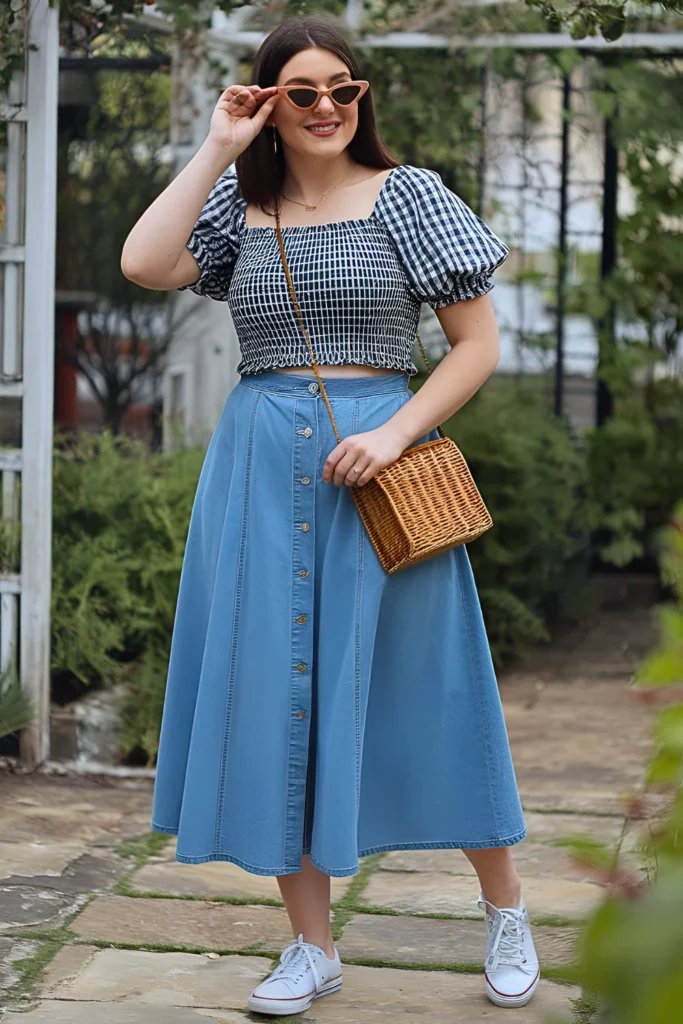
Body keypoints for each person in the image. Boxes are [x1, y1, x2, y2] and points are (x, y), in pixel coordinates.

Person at [121, 15, 539, 1017]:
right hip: (261, 467)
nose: (323, 109)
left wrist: (394, 432)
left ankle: (505, 907)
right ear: (267, 102)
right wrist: (217, 144)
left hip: (381, 466)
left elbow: (475, 344)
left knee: (431, 685)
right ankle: (310, 945)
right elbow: (144, 261)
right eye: (299, 93)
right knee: (276, 693)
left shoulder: (409, 196)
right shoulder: (237, 204)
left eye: (341, 90)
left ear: (362, 100)